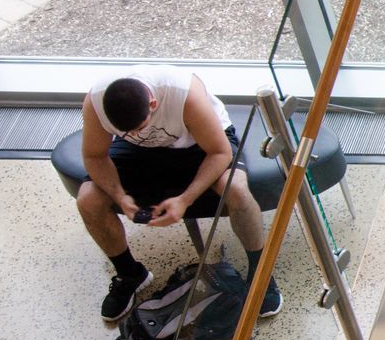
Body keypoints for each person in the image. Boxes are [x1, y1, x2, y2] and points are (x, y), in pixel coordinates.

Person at [78, 65, 280, 323]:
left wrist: (185, 200)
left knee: (237, 191)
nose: (136, 134)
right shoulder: (95, 103)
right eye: (127, 132)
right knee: (88, 199)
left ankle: (260, 272)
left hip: (201, 144)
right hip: (139, 152)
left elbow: (220, 152)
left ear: (153, 104)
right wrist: (120, 196)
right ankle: (130, 274)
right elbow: (94, 156)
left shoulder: (183, 93)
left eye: (140, 127)